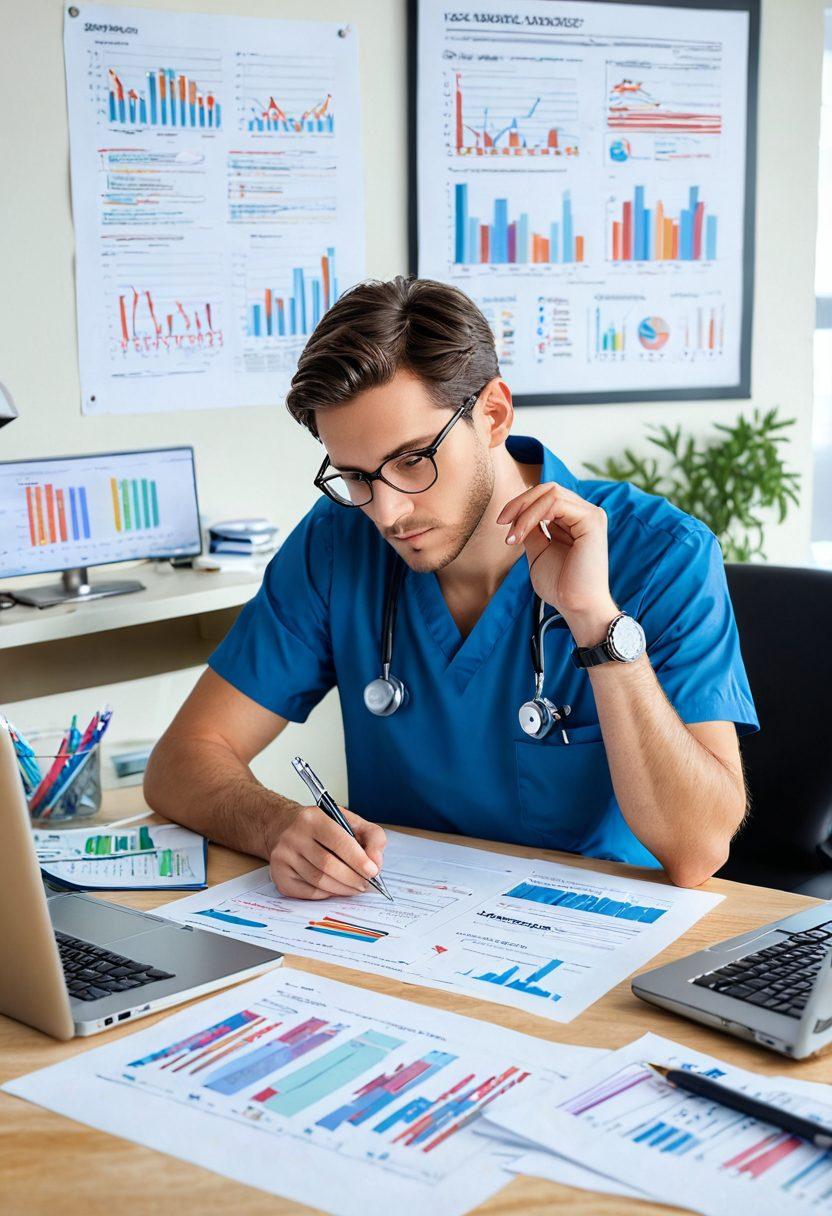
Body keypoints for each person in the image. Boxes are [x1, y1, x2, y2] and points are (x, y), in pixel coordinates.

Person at [144, 276, 758, 899]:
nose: (386, 514)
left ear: (492, 414)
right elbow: (181, 761)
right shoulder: (337, 541)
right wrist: (277, 826)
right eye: (356, 476)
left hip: (590, 938)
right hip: (394, 927)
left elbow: (697, 851)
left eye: (413, 461)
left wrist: (597, 622)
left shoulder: (662, 554)